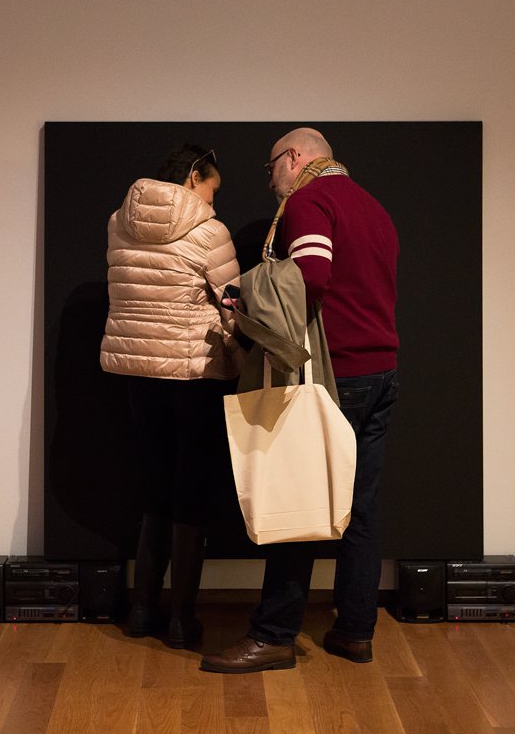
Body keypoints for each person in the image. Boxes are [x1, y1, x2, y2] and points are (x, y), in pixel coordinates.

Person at [201, 128, 399, 672]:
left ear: (293, 158)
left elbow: (311, 275)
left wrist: (245, 294)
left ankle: (274, 636)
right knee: (361, 511)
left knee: (300, 503)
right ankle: (355, 632)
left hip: (337, 376)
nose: (271, 182)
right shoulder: (374, 208)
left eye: (271, 168)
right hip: (382, 371)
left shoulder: (310, 201)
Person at [100, 144, 242, 648]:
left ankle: (142, 610)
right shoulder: (209, 231)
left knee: (155, 484)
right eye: (211, 190)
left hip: (138, 375)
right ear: (194, 176)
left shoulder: (119, 223)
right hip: (193, 376)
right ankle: (182, 620)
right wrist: (242, 355)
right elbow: (232, 305)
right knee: (192, 491)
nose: (213, 203)